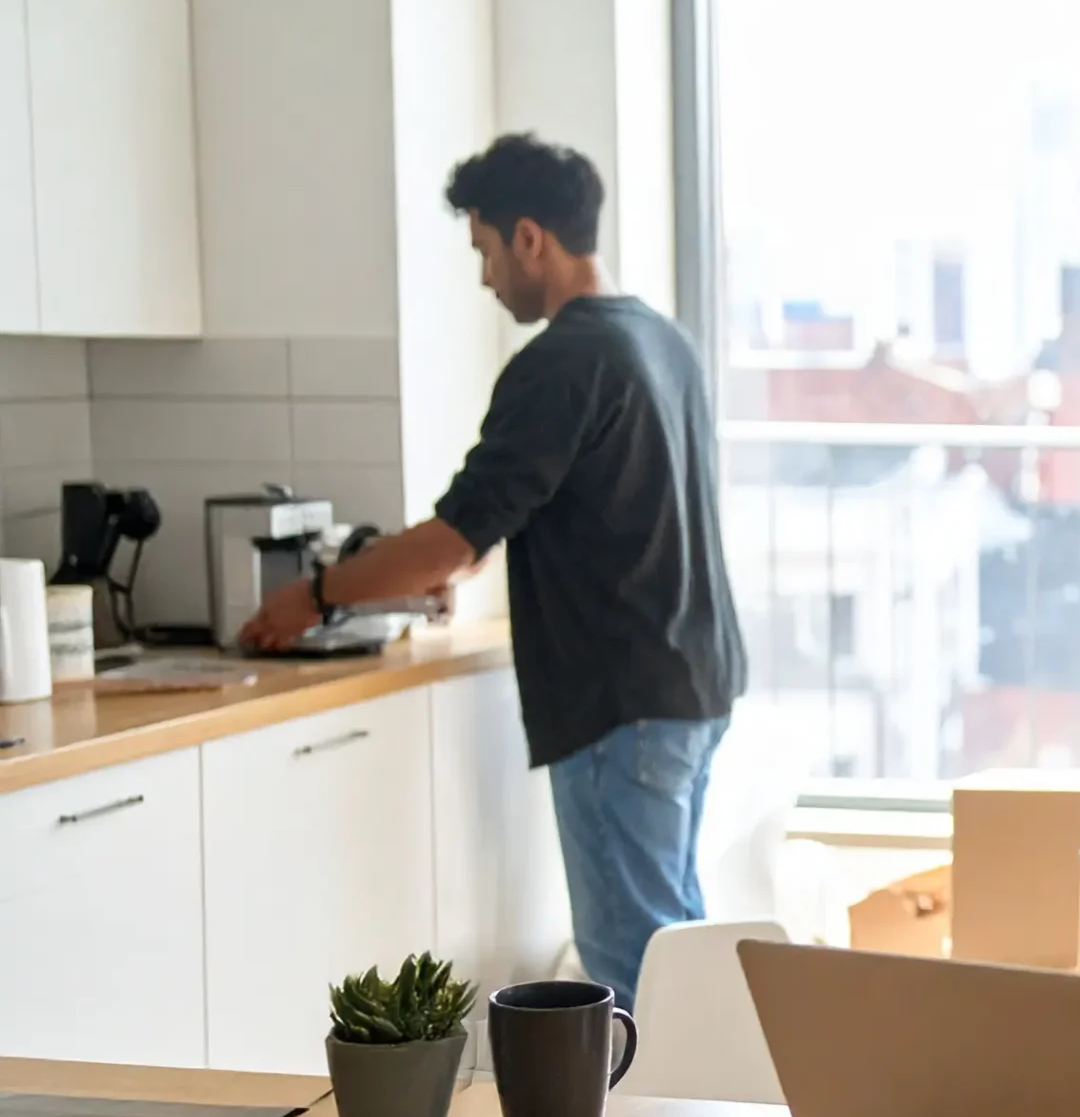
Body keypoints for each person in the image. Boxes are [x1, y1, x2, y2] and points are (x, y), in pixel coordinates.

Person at [241, 133, 747, 1007]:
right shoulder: (662, 341)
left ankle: (668, 1100)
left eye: (484, 249)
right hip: (692, 682)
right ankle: (695, 1091)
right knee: (670, 946)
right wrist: (458, 560)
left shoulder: (560, 363)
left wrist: (313, 596)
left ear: (529, 238)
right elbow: (554, 504)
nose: (485, 278)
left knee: (631, 962)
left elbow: (451, 533)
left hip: (620, 701)